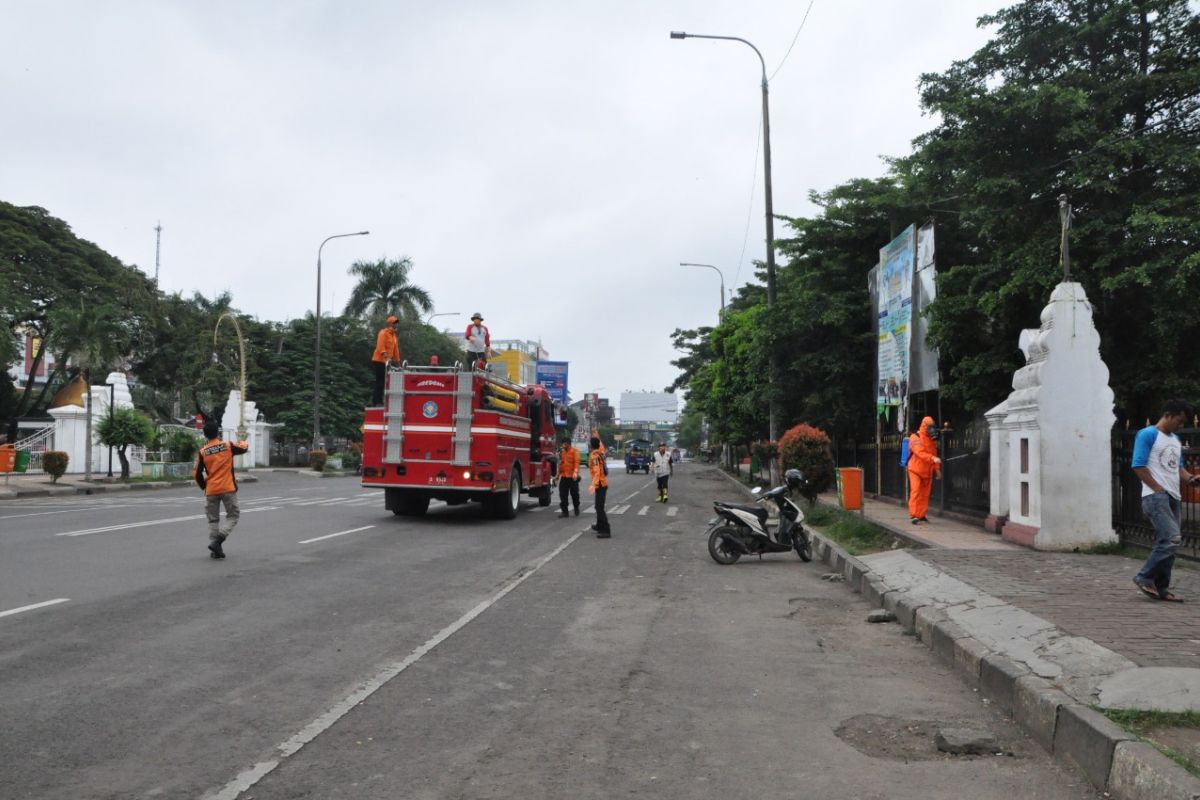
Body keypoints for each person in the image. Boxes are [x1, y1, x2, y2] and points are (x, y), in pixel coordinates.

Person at [1132, 399, 1199, 602]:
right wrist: (1157, 488)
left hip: (1174, 496)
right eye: (1179, 420)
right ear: (1168, 414)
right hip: (1156, 496)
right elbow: (1138, 465)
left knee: (1170, 541)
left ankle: (1161, 588)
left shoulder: (1175, 440)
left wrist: (1191, 479)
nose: (1181, 425)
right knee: (1171, 538)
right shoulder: (1148, 434)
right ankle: (1144, 577)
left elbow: (1177, 468)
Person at [194, 419, 249, 559]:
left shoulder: (203, 452)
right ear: (218, 433)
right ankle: (218, 541)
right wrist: (242, 440)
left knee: (213, 520)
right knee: (233, 516)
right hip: (227, 488)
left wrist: (204, 486)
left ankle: (215, 550)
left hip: (211, 490)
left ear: (205, 435)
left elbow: (196, 473)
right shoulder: (227, 446)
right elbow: (243, 448)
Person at [906, 416, 941, 524]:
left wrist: (937, 470)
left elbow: (935, 454)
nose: (931, 430)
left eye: (932, 428)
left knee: (925, 494)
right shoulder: (914, 437)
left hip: (927, 471)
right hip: (915, 469)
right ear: (924, 426)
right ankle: (913, 515)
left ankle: (921, 515)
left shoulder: (932, 440)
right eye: (929, 428)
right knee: (915, 491)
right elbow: (919, 453)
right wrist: (932, 458)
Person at [372, 315, 402, 406]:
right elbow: (380, 346)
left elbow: (395, 350)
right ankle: (377, 402)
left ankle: (383, 401)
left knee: (386, 382)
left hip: (387, 362)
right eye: (394, 323)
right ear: (390, 323)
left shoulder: (394, 336)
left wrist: (398, 363)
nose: (396, 325)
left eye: (396, 323)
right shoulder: (383, 333)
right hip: (379, 361)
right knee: (380, 381)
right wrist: (386, 356)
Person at [588, 431, 610, 538]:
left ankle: (606, 530)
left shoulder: (594, 456)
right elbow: (601, 445)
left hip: (600, 484)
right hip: (602, 483)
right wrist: (597, 437)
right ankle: (599, 525)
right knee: (598, 506)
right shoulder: (600, 453)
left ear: (591, 446)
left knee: (599, 507)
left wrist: (593, 485)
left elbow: (597, 472)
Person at [557, 439, 581, 517]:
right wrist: (558, 475)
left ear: (568, 444)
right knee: (562, 494)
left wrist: (575, 472)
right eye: (562, 444)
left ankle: (576, 507)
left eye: (564, 444)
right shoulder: (563, 452)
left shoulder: (575, 451)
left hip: (572, 477)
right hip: (564, 476)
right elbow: (561, 464)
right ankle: (565, 512)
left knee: (575, 494)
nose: (563, 446)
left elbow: (577, 463)